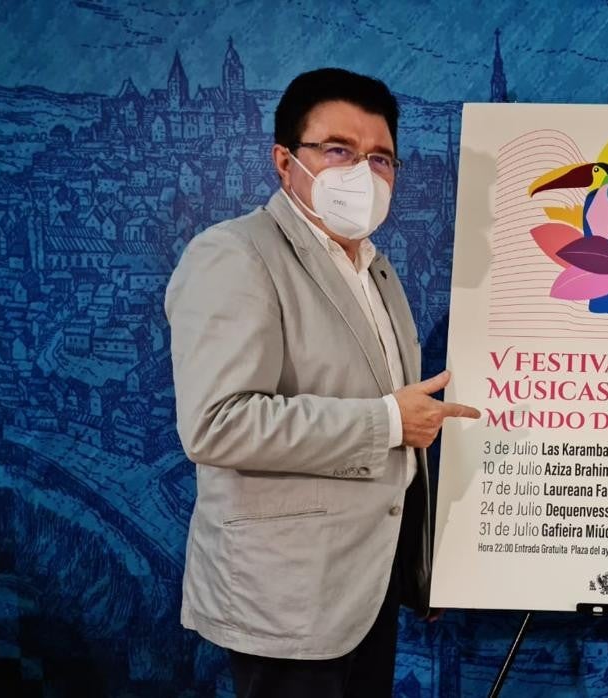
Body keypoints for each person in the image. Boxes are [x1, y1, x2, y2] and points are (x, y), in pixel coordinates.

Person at [165, 68, 479, 698]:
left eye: (380, 158)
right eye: (339, 150)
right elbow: (217, 424)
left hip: (368, 588)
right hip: (287, 602)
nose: (363, 172)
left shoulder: (376, 269)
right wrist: (387, 422)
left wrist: (419, 566)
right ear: (285, 162)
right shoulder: (235, 254)